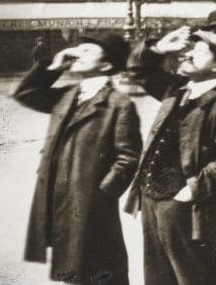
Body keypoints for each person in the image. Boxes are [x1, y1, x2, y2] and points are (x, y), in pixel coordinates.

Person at [16, 32, 141, 285]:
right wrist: (52, 68)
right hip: (62, 199)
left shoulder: (119, 104)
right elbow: (26, 93)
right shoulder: (69, 95)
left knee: (100, 268)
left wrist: (101, 194)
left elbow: (128, 157)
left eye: (86, 52)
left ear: (105, 65)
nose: (76, 54)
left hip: (91, 205)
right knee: (73, 268)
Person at [127, 27, 216, 285]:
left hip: (188, 204)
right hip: (152, 197)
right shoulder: (176, 90)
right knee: (158, 274)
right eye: (190, 48)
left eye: (200, 50)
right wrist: (158, 48)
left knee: (193, 275)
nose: (189, 54)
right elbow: (138, 71)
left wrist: (190, 190)